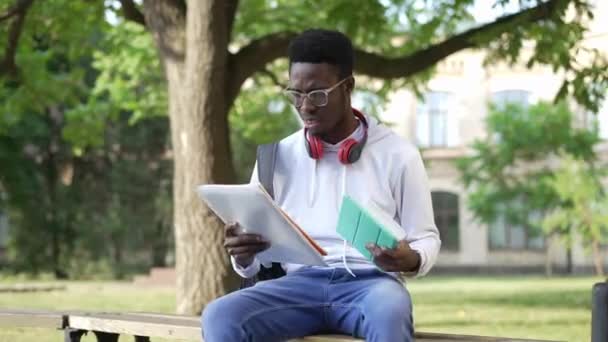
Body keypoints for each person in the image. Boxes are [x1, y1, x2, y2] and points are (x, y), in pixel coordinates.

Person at [202, 28, 441, 342]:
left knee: (390, 314)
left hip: (370, 286)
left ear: (348, 87)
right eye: (296, 95)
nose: (305, 106)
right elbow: (251, 265)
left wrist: (410, 259)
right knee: (220, 315)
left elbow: (425, 238)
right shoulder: (275, 158)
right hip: (296, 286)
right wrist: (243, 256)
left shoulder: (398, 154)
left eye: (317, 94)